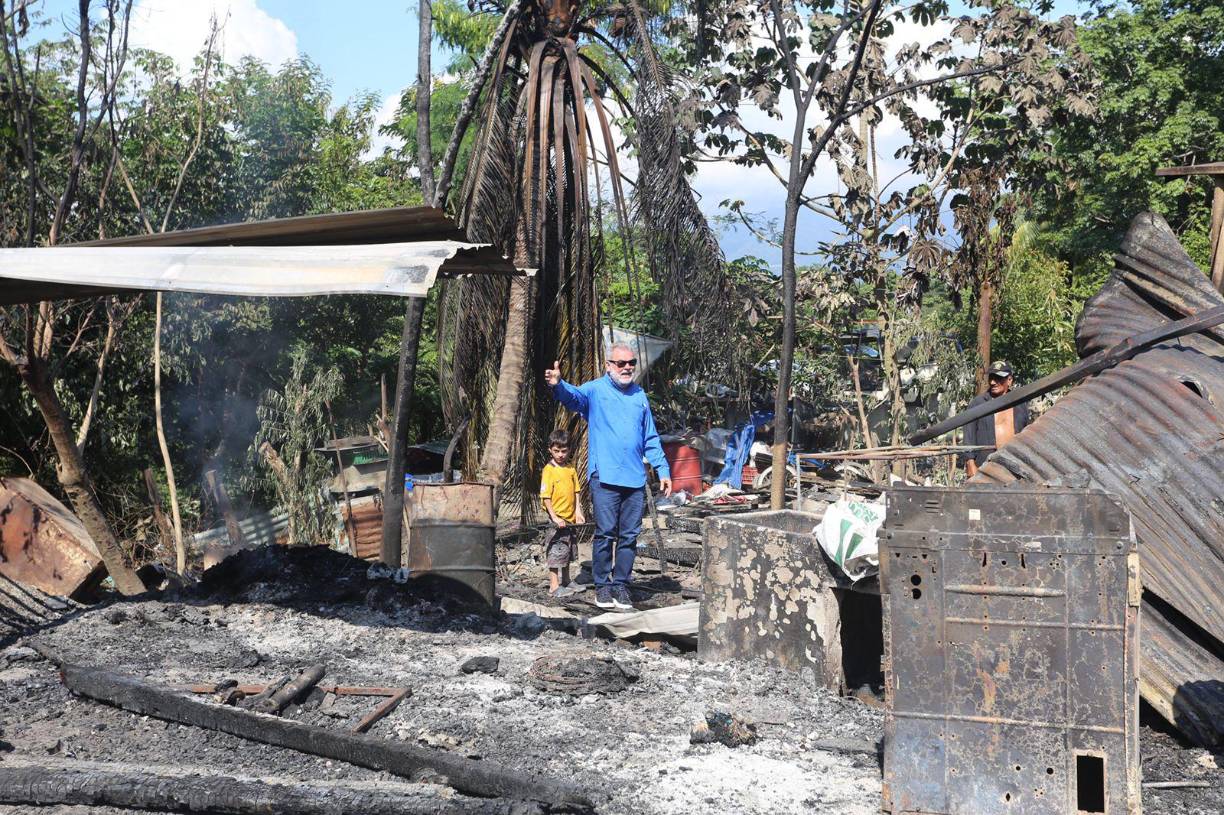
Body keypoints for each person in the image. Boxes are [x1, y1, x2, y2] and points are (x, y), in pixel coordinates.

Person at [544, 345, 671, 611]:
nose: (627, 368)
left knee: (629, 536)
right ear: (608, 365)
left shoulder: (639, 397)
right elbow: (573, 398)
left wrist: (663, 469)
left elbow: (650, 437)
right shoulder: (596, 391)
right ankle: (602, 586)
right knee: (605, 533)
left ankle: (621, 585)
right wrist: (558, 385)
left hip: (635, 479)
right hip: (605, 477)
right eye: (621, 363)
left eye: (631, 363)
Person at [961, 360, 1032, 478]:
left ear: (1009, 380)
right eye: (991, 377)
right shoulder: (978, 404)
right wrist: (970, 463)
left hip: (1014, 466)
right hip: (986, 466)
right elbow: (969, 435)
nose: (993, 382)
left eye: (998, 378)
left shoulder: (1020, 404)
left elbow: (1026, 434)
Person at [540, 428, 584, 597]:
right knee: (555, 551)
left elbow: (577, 491)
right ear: (550, 450)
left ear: (569, 450)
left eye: (564, 451)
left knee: (568, 550)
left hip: (570, 518)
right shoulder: (548, 470)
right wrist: (554, 517)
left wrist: (578, 512)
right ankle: (554, 585)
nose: (560, 455)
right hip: (556, 520)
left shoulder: (570, 469)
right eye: (556, 451)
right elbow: (545, 496)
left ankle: (566, 580)